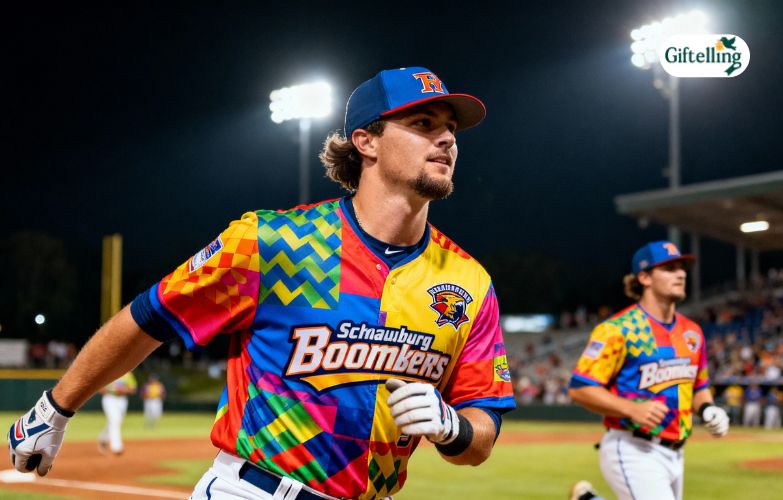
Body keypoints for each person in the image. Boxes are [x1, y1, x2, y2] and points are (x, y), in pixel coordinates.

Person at [7, 66, 516, 499]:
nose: (446, 139)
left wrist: (453, 429)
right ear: (366, 141)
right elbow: (150, 317)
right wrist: (55, 408)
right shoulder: (274, 242)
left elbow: (482, 437)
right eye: (423, 123)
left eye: (450, 128)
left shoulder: (468, 282)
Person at [568, 241, 729, 500]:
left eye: (682, 267)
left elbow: (698, 386)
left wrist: (709, 408)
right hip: (632, 447)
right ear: (644, 277)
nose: (681, 273)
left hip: (677, 452)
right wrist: (632, 409)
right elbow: (580, 388)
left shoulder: (692, 332)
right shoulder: (619, 329)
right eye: (669, 268)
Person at [98, 371, 138, 455]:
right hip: (109, 399)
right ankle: (116, 447)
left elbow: (133, 388)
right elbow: (99, 387)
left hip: (122, 400)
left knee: (115, 421)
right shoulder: (108, 372)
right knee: (115, 420)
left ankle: (103, 438)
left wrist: (124, 390)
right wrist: (109, 391)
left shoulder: (127, 374)